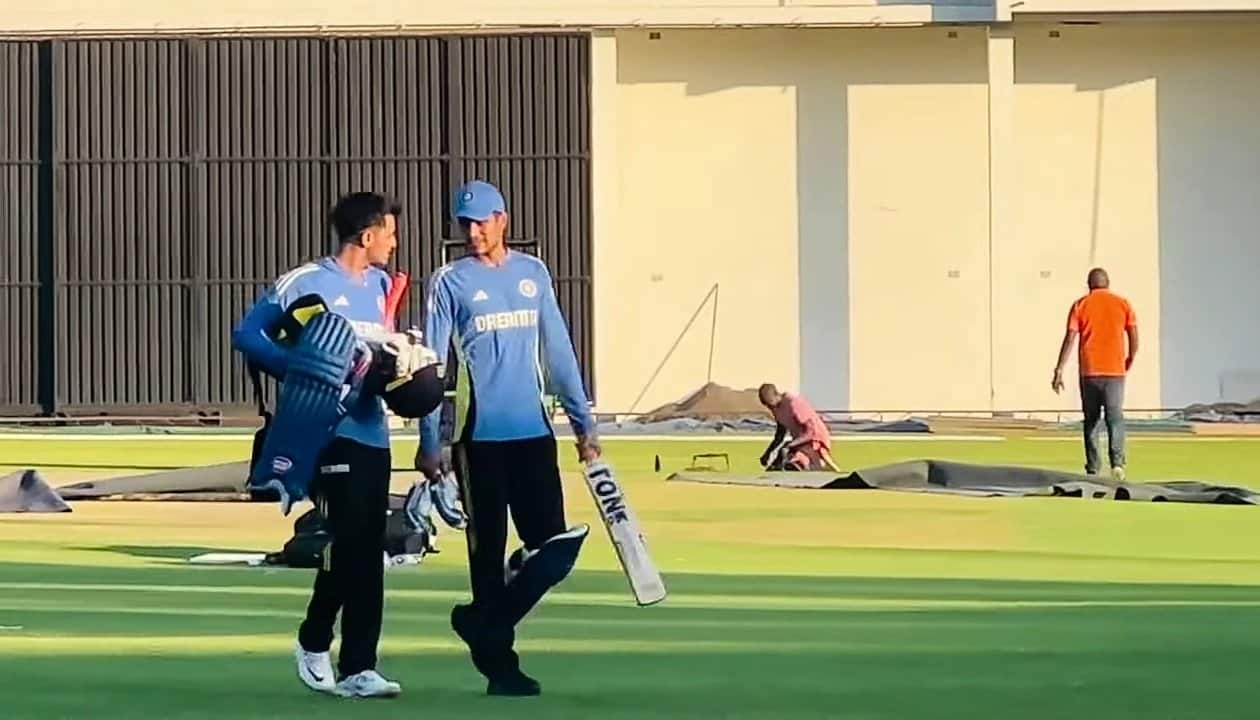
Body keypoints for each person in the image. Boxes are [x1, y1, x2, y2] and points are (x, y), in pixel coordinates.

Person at [414, 179, 598, 697]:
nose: (473, 233)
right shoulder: (449, 282)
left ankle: (484, 624)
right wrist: (432, 441)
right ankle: (502, 669)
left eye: (481, 222)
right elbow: (431, 364)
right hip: (479, 442)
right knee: (486, 559)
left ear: (503, 220)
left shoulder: (532, 273)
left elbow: (559, 353)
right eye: (464, 224)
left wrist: (584, 425)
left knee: (554, 550)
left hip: (535, 434)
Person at [232, 192, 405, 699]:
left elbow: (375, 361)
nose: (395, 242)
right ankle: (316, 640)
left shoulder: (381, 286)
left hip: (373, 431)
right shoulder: (306, 282)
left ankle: (358, 668)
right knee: (351, 541)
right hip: (322, 433)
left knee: (368, 548)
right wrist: (303, 367)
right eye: (390, 233)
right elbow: (247, 333)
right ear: (368, 235)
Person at [1052, 267, 1138, 480]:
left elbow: (1070, 338)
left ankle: (1092, 467)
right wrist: (1130, 358)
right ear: (1107, 283)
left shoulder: (1081, 305)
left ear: (1089, 285)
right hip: (1115, 372)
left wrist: (1059, 369)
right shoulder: (1123, 304)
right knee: (1115, 418)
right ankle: (1117, 463)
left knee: (1091, 420)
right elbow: (1134, 335)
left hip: (1089, 372)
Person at [757, 383, 834, 471]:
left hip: (815, 440)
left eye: (770, 404)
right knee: (778, 464)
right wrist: (768, 453)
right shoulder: (776, 409)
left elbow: (811, 432)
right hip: (799, 442)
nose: (770, 408)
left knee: (796, 463)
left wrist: (790, 445)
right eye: (767, 406)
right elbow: (780, 435)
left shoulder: (794, 403)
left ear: (776, 395)